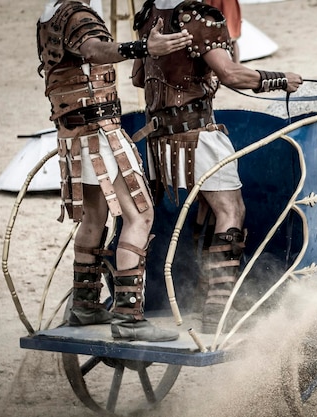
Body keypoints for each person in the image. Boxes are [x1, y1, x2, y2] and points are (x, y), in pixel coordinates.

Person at [130, 0, 303, 333]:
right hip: (198, 137)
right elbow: (231, 74)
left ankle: (203, 292)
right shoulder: (201, 16)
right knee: (230, 211)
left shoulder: (149, 14)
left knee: (208, 210)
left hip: (158, 140)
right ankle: (218, 308)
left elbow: (140, 77)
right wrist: (280, 79)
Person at [36, 0, 193, 341]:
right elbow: (94, 50)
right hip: (99, 133)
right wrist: (143, 47)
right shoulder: (78, 14)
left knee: (94, 218)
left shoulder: (50, 13)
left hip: (74, 134)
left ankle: (86, 304)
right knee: (140, 215)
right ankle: (129, 318)